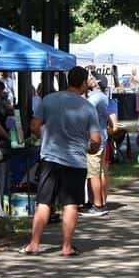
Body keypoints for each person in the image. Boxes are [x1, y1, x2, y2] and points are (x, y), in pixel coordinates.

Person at [21, 66, 101, 256]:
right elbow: (96, 140)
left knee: (44, 202)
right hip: (75, 161)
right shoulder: (88, 107)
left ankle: (33, 244)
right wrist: (89, 149)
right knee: (70, 204)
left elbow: (34, 126)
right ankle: (66, 246)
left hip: (50, 158)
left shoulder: (49, 100)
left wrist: (45, 138)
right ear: (83, 83)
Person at [84, 72, 111, 216]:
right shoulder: (101, 97)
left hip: (94, 139)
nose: (88, 80)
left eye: (90, 77)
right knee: (98, 172)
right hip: (101, 136)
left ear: (97, 81)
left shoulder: (95, 98)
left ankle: (98, 205)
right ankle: (97, 202)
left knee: (93, 173)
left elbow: (84, 111)